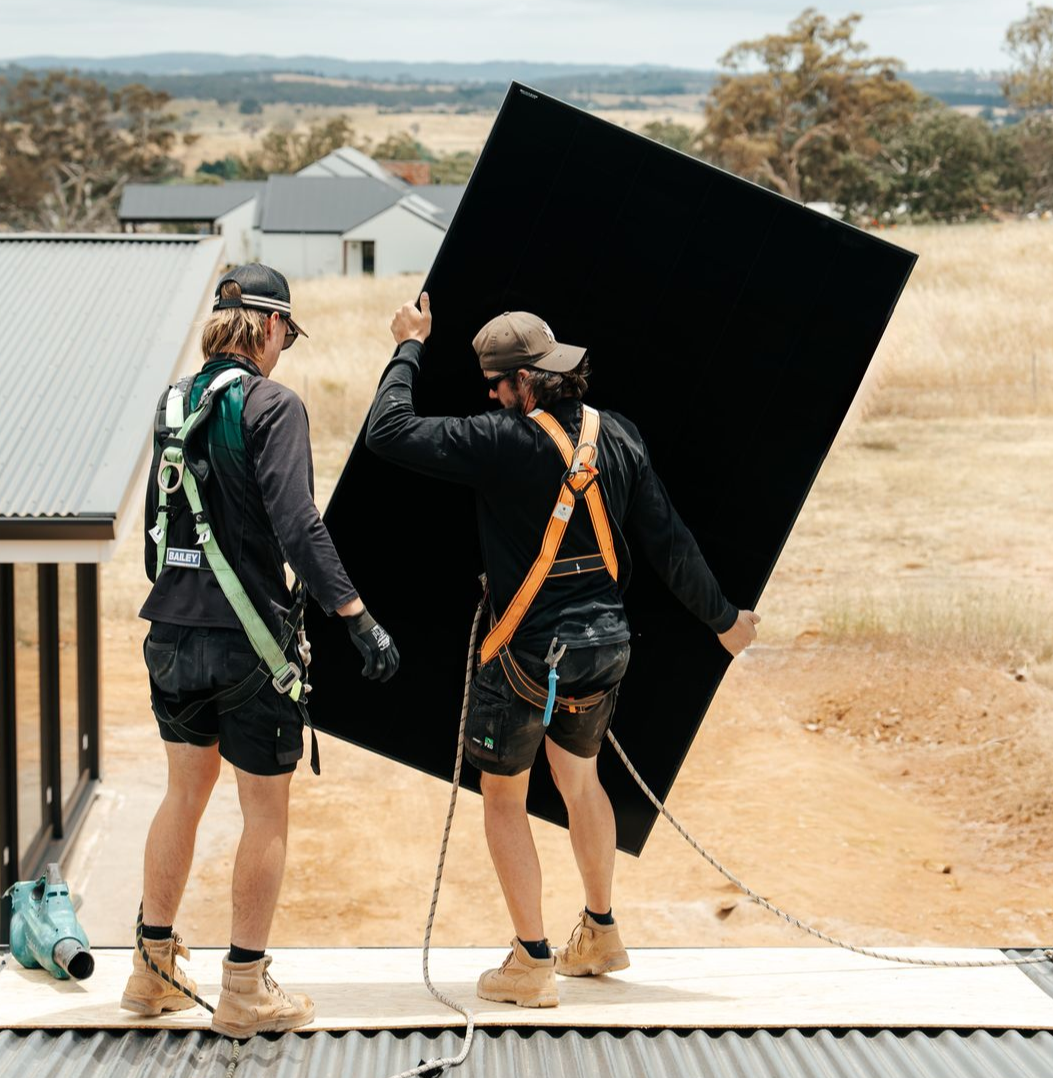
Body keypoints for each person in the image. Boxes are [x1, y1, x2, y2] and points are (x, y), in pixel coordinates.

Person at [365, 294, 758, 1008]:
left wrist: (409, 344)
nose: (488, 393)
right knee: (581, 782)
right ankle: (601, 931)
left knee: (503, 801)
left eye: (495, 382)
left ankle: (531, 963)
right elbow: (669, 542)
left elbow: (387, 430)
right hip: (606, 649)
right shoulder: (621, 435)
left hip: (526, 654)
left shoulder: (498, 439)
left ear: (525, 380)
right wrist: (723, 619)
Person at [121, 264, 400, 1036]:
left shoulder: (173, 403)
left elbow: (158, 524)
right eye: (286, 337)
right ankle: (243, 990)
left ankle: (151, 973)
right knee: (264, 811)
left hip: (172, 634)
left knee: (183, 790)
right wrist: (356, 615)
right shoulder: (273, 404)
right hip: (249, 650)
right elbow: (299, 524)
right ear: (271, 328)